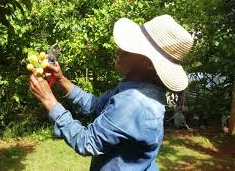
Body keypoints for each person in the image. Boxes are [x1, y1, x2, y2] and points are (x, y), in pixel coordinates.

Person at [28, 15, 194, 171]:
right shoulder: (134, 87)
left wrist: (49, 101)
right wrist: (61, 79)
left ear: (148, 64)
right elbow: (96, 106)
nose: (120, 51)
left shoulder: (135, 102)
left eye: (129, 50)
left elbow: (87, 142)